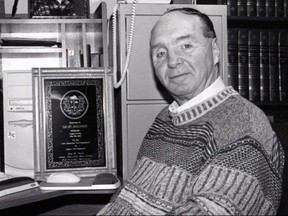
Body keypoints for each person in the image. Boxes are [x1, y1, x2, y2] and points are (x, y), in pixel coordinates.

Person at [98, 7, 284, 215]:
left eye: (186, 46)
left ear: (214, 51)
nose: (172, 61)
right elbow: (129, 197)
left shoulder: (243, 124)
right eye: (160, 53)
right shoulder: (165, 119)